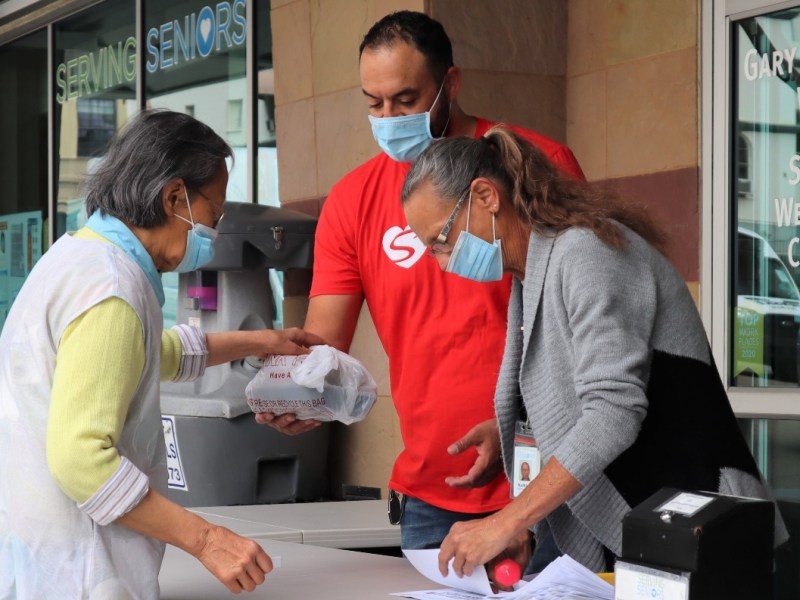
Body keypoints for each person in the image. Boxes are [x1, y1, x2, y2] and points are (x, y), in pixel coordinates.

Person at [257, 10, 584, 562]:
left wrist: (519, 424)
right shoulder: (352, 200)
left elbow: (585, 324)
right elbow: (323, 346)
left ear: (449, 86)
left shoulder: (535, 165)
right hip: (430, 493)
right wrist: (301, 395)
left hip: (543, 482)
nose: (388, 117)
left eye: (406, 100)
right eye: (374, 102)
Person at [399, 125, 789, 584]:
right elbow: (584, 390)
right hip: (649, 531)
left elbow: (613, 410)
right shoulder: (533, 271)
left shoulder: (585, 252)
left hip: (699, 533)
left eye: (441, 240)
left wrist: (507, 521)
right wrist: (515, 425)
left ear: (486, 196)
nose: (442, 263)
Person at [0, 109, 324, 599]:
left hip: (42, 553)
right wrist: (208, 540)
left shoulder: (79, 257)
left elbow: (148, 353)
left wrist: (265, 341)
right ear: (174, 197)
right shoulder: (111, 289)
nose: (212, 233)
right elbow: (81, 460)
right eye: (212, 215)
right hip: (81, 572)